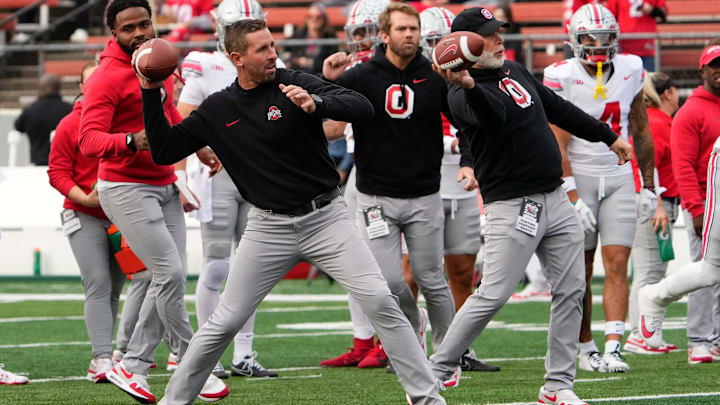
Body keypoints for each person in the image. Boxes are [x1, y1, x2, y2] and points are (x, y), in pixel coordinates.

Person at [139, 18, 447, 405]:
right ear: (237, 58)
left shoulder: (294, 81)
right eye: (262, 49)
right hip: (268, 226)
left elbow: (362, 107)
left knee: (381, 300)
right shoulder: (218, 108)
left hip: (326, 218)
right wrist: (150, 90)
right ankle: (174, 401)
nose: (273, 54)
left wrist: (317, 102)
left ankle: (427, 398)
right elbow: (165, 150)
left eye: (272, 45)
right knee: (224, 322)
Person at [430, 7, 632, 404]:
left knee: (573, 289)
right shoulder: (458, 93)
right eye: (489, 35)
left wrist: (608, 137)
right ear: (467, 44)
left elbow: (559, 110)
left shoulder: (515, 71)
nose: (500, 39)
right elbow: (496, 117)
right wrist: (469, 83)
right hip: (512, 204)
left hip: (554, 196)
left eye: (499, 31)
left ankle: (557, 386)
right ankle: (433, 372)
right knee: (493, 294)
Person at [78, 0, 226, 402]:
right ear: (114, 34)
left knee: (170, 277)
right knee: (170, 275)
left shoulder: (157, 61)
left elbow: (171, 116)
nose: (140, 32)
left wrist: (198, 147)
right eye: (129, 28)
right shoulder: (106, 77)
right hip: (124, 186)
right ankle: (178, 363)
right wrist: (130, 140)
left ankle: (150, 363)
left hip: (163, 183)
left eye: (145, 23)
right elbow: (88, 140)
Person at [323, 2, 476, 368]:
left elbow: (466, 124)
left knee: (432, 281)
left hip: (424, 195)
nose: (410, 34)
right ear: (385, 34)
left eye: (414, 28)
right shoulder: (361, 75)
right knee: (388, 283)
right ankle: (412, 333)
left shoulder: (435, 75)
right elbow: (329, 123)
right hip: (376, 195)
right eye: (402, 28)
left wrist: (469, 163)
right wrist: (327, 81)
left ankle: (448, 356)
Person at [543, 3, 657, 373]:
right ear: (574, 39)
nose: (598, 44)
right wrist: (571, 191)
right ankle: (585, 346)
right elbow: (556, 139)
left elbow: (640, 127)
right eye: (590, 37)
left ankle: (613, 346)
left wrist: (650, 186)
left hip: (620, 175)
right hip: (581, 176)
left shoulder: (631, 67)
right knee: (582, 267)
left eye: (606, 37)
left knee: (619, 263)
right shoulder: (559, 74)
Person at [176, 0, 281, 379]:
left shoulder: (274, 66)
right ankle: (210, 356)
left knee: (250, 269)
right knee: (218, 262)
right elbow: (184, 121)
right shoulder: (204, 63)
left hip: (256, 175)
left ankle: (244, 354)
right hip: (219, 172)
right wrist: (184, 173)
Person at [396, 5, 500, 374]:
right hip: (424, 182)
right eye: (433, 42)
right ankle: (410, 345)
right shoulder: (415, 78)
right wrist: (451, 146)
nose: (441, 49)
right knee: (413, 273)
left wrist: (466, 151)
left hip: (464, 181)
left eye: (446, 42)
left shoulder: (473, 76)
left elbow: (479, 126)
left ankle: (458, 347)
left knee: (461, 269)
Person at [317, 0, 392, 369]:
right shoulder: (352, 70)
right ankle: (363, 339)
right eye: (357, 32)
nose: (361, 40)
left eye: (368, 32)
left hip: (398, 175)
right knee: (353, 258)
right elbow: (331, 127)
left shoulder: (396, 69)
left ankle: (394, 338)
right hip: (362, 174)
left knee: (392, 265)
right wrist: (328, 86)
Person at [47, 59, 128, 384]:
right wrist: (83, 197)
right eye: (91, 82)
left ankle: (110, 354)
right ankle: (102, 358)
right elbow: (56, 172)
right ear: (83, 89)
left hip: (118, 213)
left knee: (114, 289)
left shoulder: (121, 120)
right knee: (98, 283)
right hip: (83, 212)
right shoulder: (70, 124)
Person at [639, 43, 720, 361]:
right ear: (702, 71)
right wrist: (696, 208)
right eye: (714, 65)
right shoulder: (692, 111)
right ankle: (700, 338)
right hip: (706, 201)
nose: (719, 70)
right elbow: (683, 165)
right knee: (708, 272)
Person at [624, 71, 680, 355]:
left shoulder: (657, 120)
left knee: (654, 271)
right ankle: (638, 334)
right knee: (648, 272)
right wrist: (657, 204)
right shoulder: (656, 122)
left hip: (658, 201)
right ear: (666, 92)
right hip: (654, 202)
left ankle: (647, 332)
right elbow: (649, 166)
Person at [14, 74, 72, 166]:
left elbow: (18, 126)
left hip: (37, 164)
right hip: (65, 165)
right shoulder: (69, 110)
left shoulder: (30, 110)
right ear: (59, 88)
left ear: (41, 88)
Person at [606, 0, 667, 72]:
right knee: (626, 80)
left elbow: (663, 14)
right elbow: (609, 18)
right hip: (624, 48)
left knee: (648, 80)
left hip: (647, 47)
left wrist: (652, 10)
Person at [284, 2, 338, 74]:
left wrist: (311, 63)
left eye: (318, 16)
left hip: (320, 76)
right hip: (299, 75)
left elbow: (331, 63)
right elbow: (287, 52)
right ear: (306, 18)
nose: (314, 19)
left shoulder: (330, 38)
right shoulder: (298, 35)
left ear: (324, 19)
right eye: (310, 16)